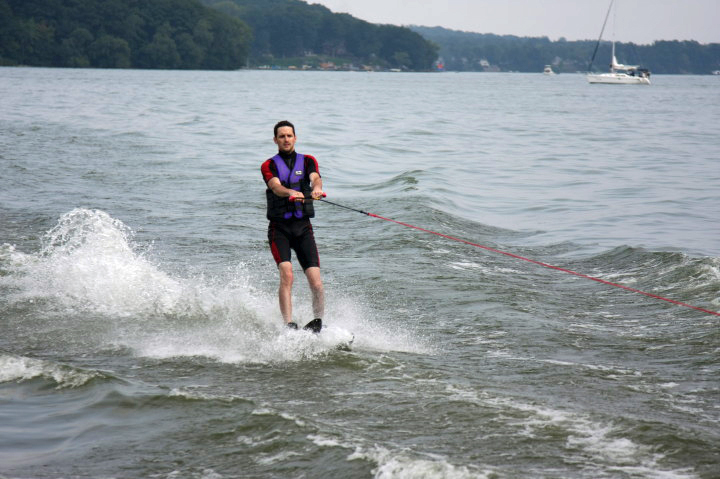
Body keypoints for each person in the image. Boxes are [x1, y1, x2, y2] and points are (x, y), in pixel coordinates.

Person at [261, 120, 325, 332]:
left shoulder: (308, 161)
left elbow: (315, 178)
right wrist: (291, 193)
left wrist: (316, 189)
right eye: (282, 136)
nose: (286, 139)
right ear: (275, 140)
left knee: (316, 282)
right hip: (279, 229)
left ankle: (318, 324)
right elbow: (276, 187)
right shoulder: (268, 165)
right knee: (287, 273)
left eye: (289, 136)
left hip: (303, 229)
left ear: (295, 138)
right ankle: (288, 324)